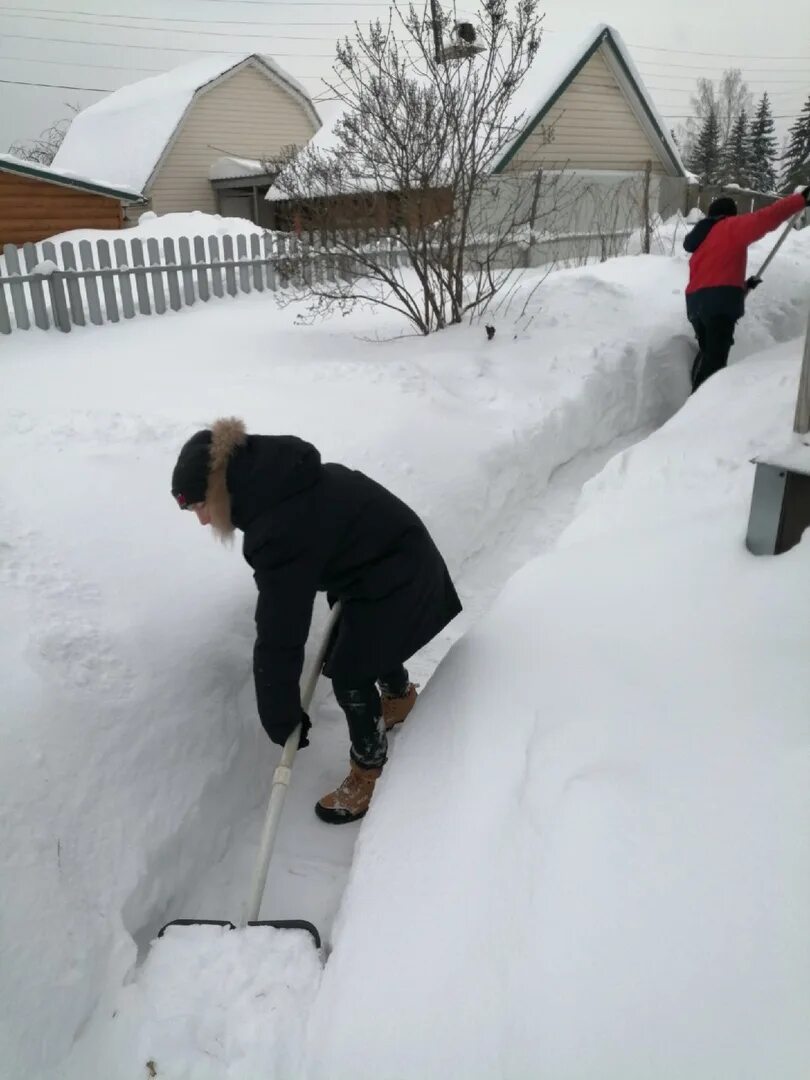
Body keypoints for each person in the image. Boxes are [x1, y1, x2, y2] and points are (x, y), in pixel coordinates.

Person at [171, 418, 461, 824]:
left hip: (401, 572)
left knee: (350, 672)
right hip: (380, 564)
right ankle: (398, 697)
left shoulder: (277, 526)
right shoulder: (279, 481)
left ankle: (368, 771)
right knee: (355, 639)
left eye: (200, 506)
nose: (202, 520)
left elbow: (280, 632)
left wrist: (279, 710)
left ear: (218, 490)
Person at [684, 188, 808, 392]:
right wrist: (800, 200)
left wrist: (743, 287)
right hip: (719, 305)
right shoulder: (730, 226)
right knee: (715, 364)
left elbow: (709, 279)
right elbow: (767, 217)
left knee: (708, 354)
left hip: (695, 305)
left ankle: (696, 398)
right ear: (729, 214)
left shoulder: (702, 239)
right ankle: (699, 409)